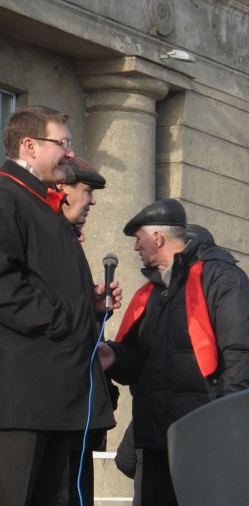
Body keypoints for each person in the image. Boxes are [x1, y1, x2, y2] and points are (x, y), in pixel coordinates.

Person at [98, 200, 249, 506]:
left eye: (139, 238)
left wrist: (228, 426)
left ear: (158, 238)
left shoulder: (219, 278)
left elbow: (241, 358)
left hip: (203, 438)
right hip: (156, 441)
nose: (135, 247)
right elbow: (142, 361)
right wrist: (115, 357)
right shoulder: (151, 293)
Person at [0, 106, 121, 505]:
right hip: (23, 399)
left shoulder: (44, 206)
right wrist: (66, 320)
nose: (70, 153)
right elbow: (6, 287)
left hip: (55, 397)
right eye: (62, 143)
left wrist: (91, 304)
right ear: (29, 146)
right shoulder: (7, 196)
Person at [56, 158, 117, 506]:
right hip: (50, 403)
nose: (92, 200)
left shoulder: (69, 242)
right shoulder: (45, 239)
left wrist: (95, 308)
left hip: (74, 408)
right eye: (87, 190)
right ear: (62, 190)